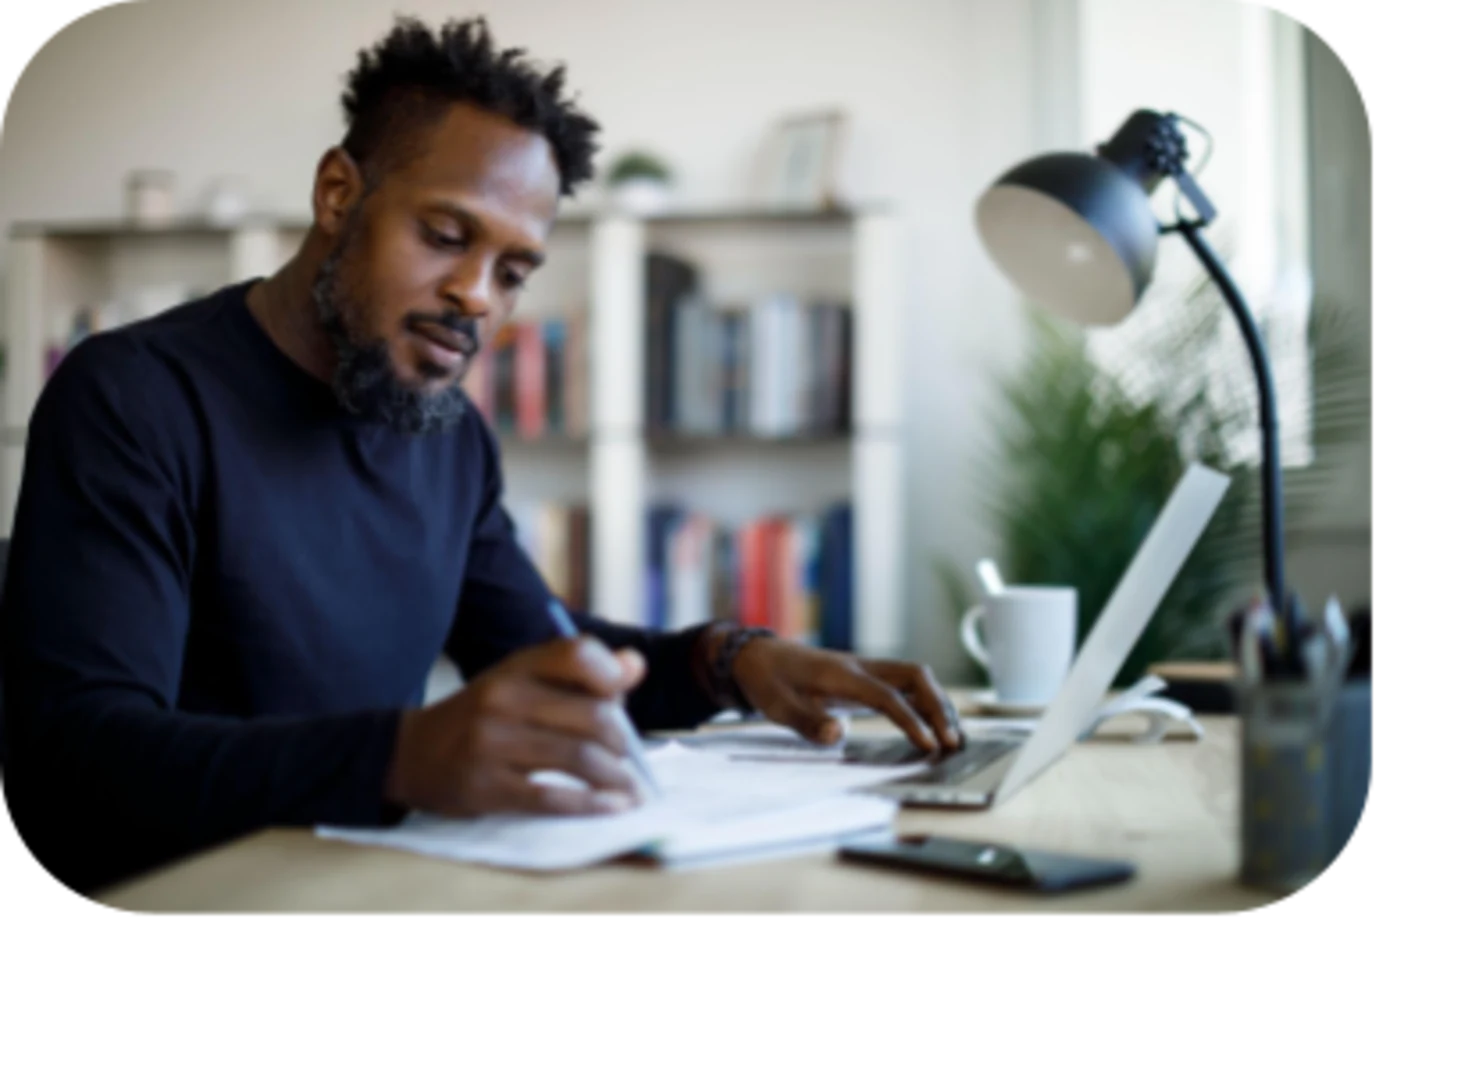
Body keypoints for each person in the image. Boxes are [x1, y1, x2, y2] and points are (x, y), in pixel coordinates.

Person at [0, 15, 961, 904]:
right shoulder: (132, 397)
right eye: (446, 235)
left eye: (512, 271)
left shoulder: (449, 435)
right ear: (339, 193)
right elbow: (85, 749)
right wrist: (400, 757)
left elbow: (546, 646)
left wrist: (730, 661)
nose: (475, 296)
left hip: (364, 887)